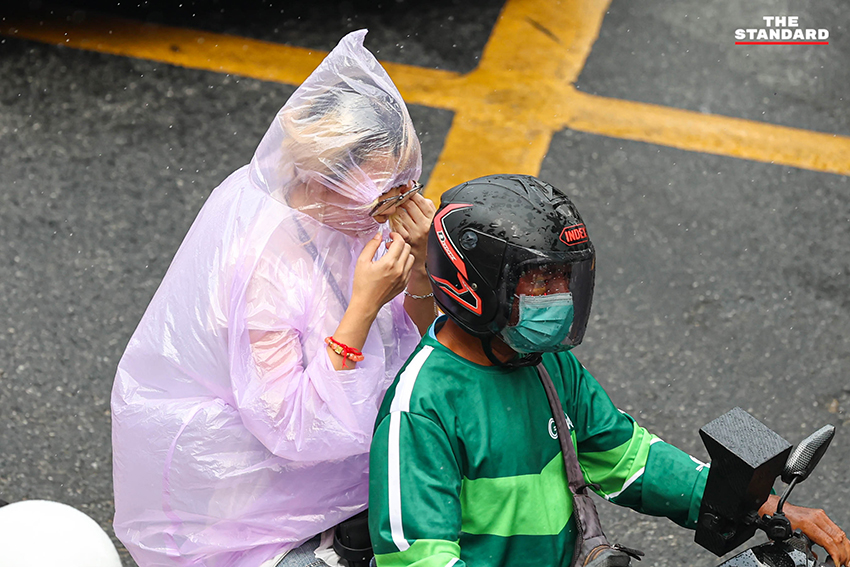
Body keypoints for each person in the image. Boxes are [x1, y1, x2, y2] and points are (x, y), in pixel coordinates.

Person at [368, 174, 850, 567]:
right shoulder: (422, 407)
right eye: (540, 281)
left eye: (564, 279)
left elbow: (626, 458)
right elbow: (419, 559)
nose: (559, 297)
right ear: (475, 286)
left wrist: (760, 504)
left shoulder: (549, 365)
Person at [112, 30, 436, 567]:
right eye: (383, 197)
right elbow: (293, 428)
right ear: (320, 180)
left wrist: (423, 269)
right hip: (259, 498)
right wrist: (363, 307)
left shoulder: (352, 221)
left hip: (350, 460)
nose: (399, 208)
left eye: (407, 188)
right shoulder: (264, 271)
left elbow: (424, 351)